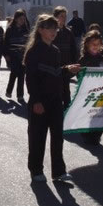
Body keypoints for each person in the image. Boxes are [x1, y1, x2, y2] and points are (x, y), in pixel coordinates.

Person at [24, 14, 80, 183]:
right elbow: (31, 79)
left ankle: (59, 171)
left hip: (56, 101)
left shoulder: (55, 51)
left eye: (55, 28)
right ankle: (36, 170)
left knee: (57, 138)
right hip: (39, 102)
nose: (54, 31)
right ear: (41, 30)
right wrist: (36, 101)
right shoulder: (33, 52)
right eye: (50, 28)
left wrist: (67, 69)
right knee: (37, 138)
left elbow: (56, 73)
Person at [78, 30, 103, 145]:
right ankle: (86, 135)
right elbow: (79, 75)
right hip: (87, 93)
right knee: (87, 114)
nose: (95, 46)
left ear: (101, 45)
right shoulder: (83, 60)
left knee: (100, 115)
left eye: (98, 44)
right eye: (93, 44)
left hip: (101, 93)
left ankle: (96, 135)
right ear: (87, 44)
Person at [52, 6, 78, 109]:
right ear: (55, 17)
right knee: (55, 92)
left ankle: (67, 111)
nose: (64, 18)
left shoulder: (68, 32)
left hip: (66, 66)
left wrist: (74, 63)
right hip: (54, 67)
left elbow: (73, 49)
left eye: (65, 16)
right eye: (61, 16)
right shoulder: (51, 32)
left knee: (66, 91)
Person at [4, 9, 29, 101]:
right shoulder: (10, 30)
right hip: (13, 55)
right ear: (16, 19)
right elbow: (5, 43)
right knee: (14, 73)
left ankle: (20, 95)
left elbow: (28, 42)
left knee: (21, 75)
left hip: (22, 56)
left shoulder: (26, 29)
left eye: (24, 19)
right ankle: (9, 91)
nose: (22, 21)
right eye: (21, 19)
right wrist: (6, 55)